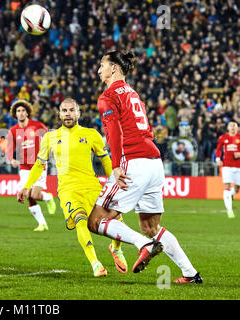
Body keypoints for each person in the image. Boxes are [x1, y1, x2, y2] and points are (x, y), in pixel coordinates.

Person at [87, 51, 202, 283]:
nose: (99, 70)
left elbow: (115, 133)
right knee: (151, 225)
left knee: (96, 221)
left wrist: (117, 165)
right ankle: (190, 274)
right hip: (154, 163)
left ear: (114, 69)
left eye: (102, 65)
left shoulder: (108, 96)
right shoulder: (133, 93)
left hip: (133, 162)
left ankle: (144, 245)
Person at [17, 98, 124, 277]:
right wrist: (26, 186)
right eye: (64, 111)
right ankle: (95, 263)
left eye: (71, 110)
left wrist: (114, 181)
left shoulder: (91, 134)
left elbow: (105, 159)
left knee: (116, 218)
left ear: (78, 113)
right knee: (80, 220)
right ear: (59, 114)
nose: (68, 114)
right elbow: (38, 164)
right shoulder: (50, 137)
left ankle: (116, 248)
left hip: (92, 186)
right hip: (68, 190)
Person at [7, 99, 56, 232]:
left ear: (27, 112)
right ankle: (42, 224)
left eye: (23, 110)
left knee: (34, 194)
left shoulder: (37, 125)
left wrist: (51, 150)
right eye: (18, 111)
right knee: (27, 194)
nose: (21, 113)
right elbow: (9, 149)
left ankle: (48, 197)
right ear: (15, 114)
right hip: (24, 167)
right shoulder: (13, 130)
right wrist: (12, 159)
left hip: (39, 165)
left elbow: (49, 138)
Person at [215, 121, 240, 218]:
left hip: (238, 166)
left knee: (237, 188)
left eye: (235, 125)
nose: (233, 127)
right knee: (227, 186)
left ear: (237, 128)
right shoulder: (223, 138)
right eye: (231, 125)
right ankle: (229, 211)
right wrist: (218, 159)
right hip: (227, 165)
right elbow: (218, 149)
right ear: (228, 128)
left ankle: (231, 194)